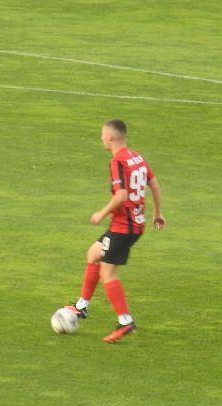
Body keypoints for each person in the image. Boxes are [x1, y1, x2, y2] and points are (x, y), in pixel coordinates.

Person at [65, 119, 165, 342]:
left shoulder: (117, 162)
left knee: (107, 273)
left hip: (123, 228)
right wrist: (157, 213)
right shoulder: (137, 157)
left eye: (102, 134)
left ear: (110, 137)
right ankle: (81, 307)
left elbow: (121, 196)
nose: (101, 138)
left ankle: (125, 321)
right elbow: (155, 185)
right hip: (134, 224)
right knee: (93, 254)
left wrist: (101, 213)